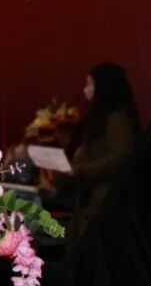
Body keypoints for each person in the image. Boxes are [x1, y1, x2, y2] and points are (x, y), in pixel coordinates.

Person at [49, 63, 140, 248]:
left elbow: (119, 158)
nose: (85, 90)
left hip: (103, 203)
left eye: (90, 84)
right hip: (91, 200)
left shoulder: (116, 118)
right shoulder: (103, 117)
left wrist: (79, 170)